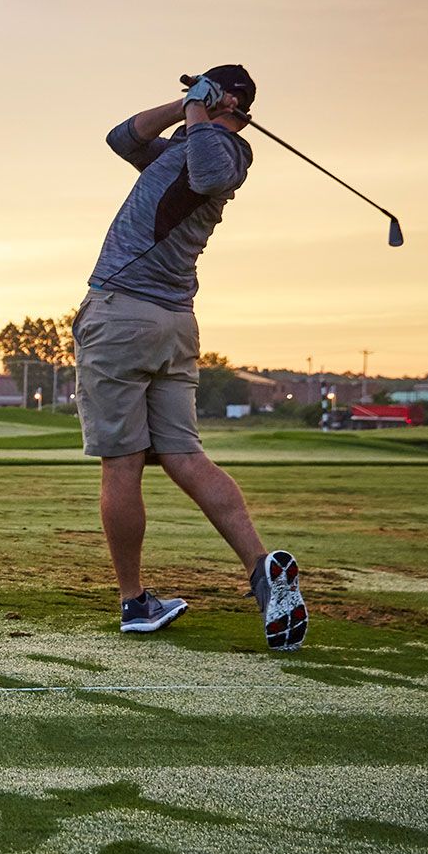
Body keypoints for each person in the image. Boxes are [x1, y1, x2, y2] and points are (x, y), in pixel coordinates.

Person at [73, 65, 307, 650]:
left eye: (206, 90)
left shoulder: (227, 153)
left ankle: (133, 602)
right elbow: (120, 138)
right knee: (183, 456)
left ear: (231, 100)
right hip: (172, 322)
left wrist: (204, 112)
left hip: (125, 314)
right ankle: (262, 572)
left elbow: (206, 170)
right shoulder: (178, 147)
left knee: (121, 463)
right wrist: (185, 105)